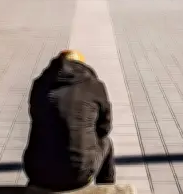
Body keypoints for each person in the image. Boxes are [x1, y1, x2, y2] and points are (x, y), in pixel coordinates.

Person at [23, 50, 115, 192]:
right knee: (106, 142)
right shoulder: (94, 85)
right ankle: (107, 189)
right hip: (78, 174)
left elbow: (36, 116)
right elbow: (104, 128)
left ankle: (38, 185)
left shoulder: (40, 84)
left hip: (36, 172)